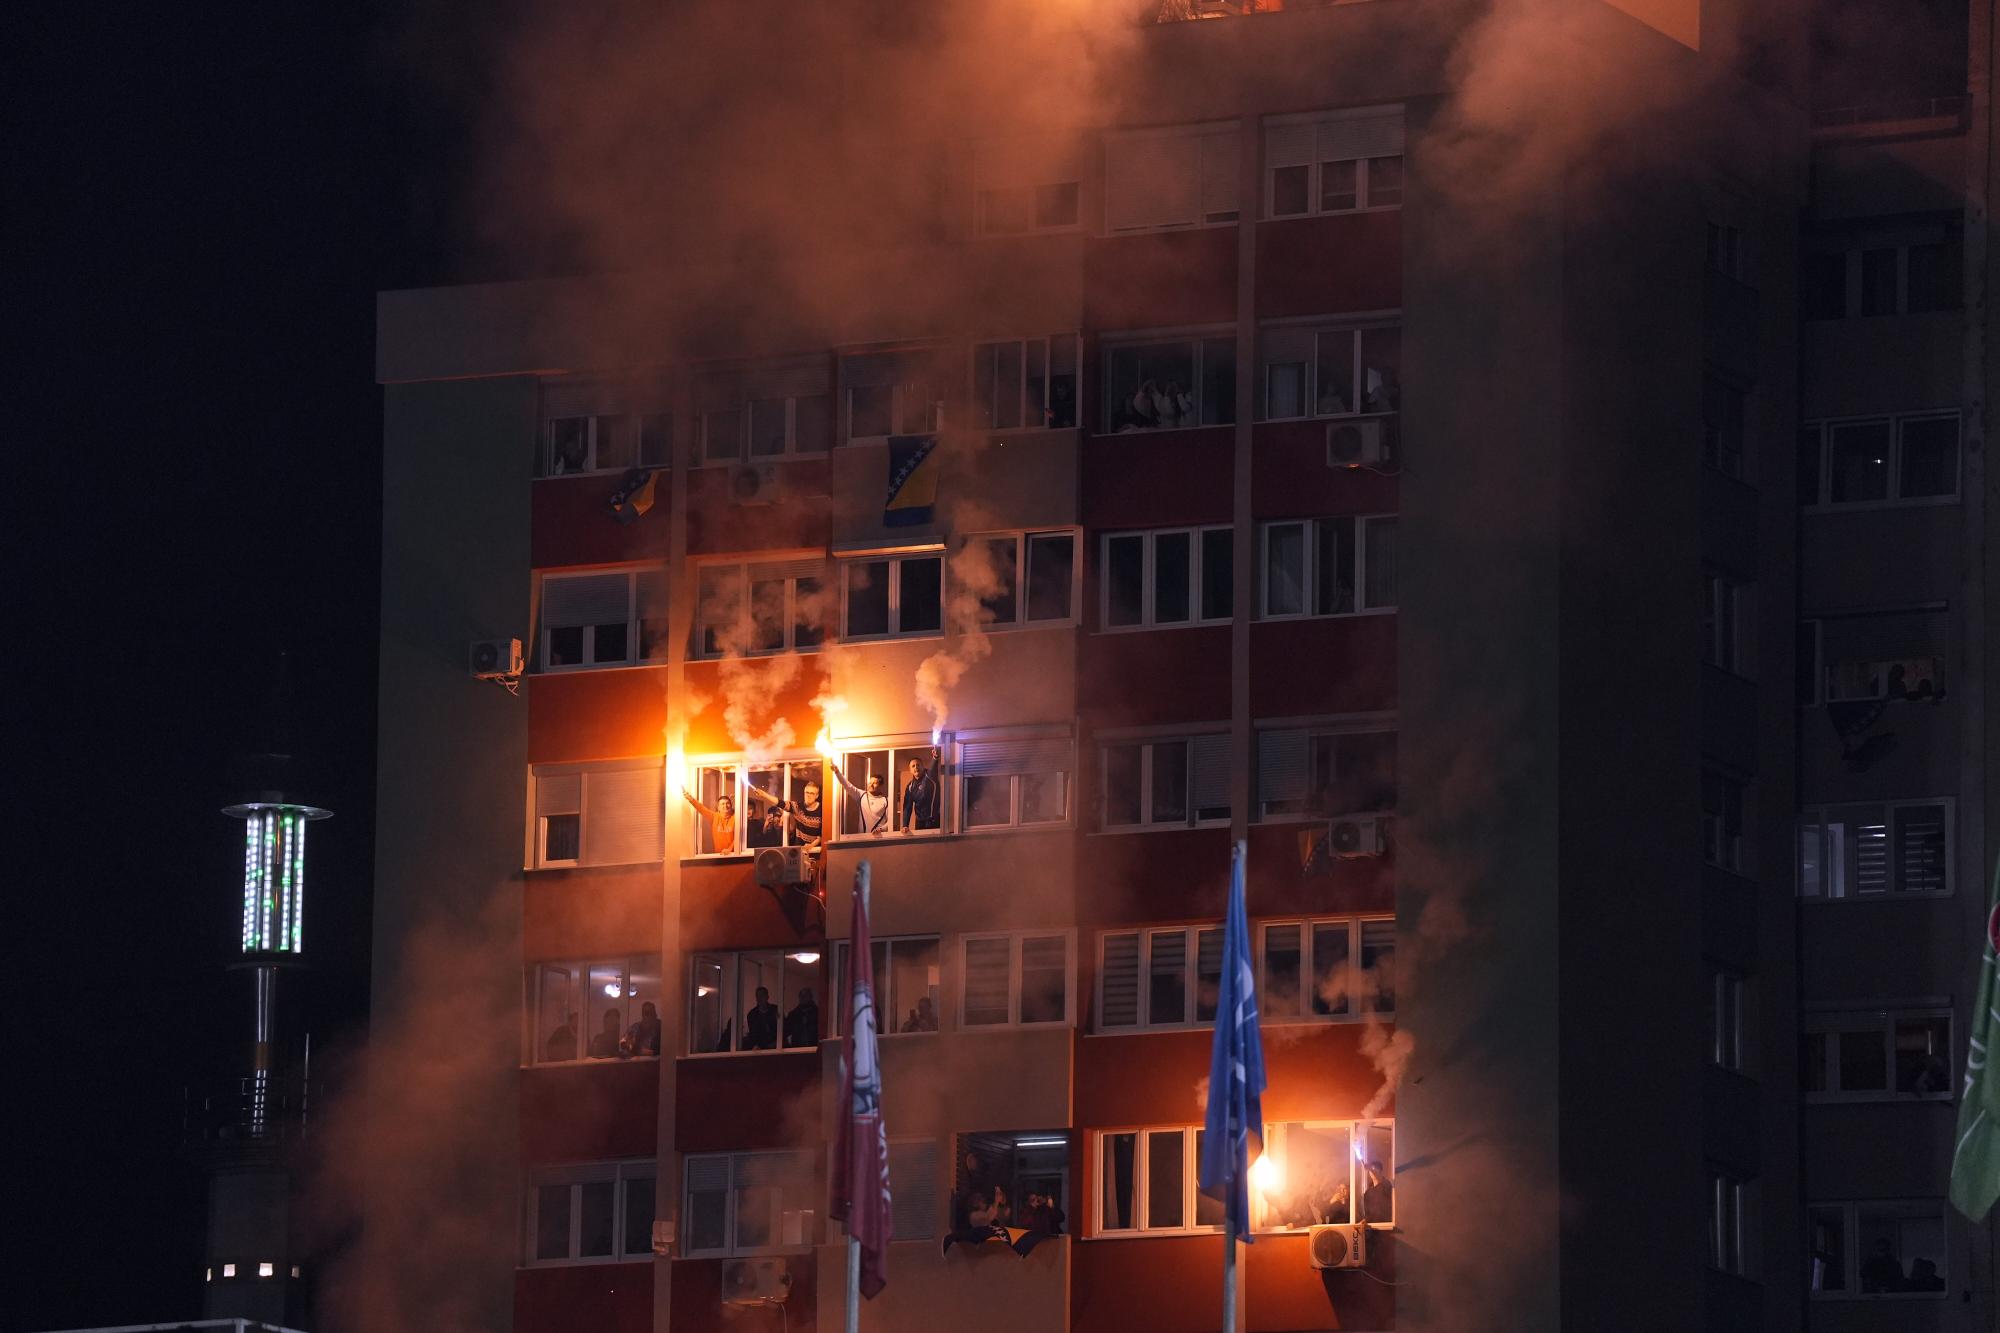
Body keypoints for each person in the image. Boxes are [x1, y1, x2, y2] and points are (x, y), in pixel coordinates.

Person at [831, 761, 890, 835]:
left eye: (874, 783)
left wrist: (881, 829)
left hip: (879, 837)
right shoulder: (862, 795)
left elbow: (890, 822)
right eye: (870, 782)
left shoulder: (886, 801)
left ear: (880, 786)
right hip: (863, 837)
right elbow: (848, 786)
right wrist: (837, 772)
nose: (871, 785)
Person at [682, 787, 737, 854]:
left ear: (731, 805)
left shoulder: (736, 818)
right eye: (722, 804)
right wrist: (691, 799)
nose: (725, 806)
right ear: (718, 807)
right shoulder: (714, 817)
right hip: (718, 855)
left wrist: (729, 849)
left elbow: (738, 837)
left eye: (727, 803)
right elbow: (702, 808)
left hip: (734, 854)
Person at [901, 748, 942, 833]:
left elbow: (933, 769)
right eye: (913, 766)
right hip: (920, 823)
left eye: (918, 765)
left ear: (923, 766)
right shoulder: (910, 787)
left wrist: (935, 758)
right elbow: (907, 807)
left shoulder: (930, 777)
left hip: (934, 821)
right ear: (910, 770)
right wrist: (905, 825)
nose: (916, 767)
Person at [744, 986, 779, 1050]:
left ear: (767, 997)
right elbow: (753, 1034)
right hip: (761, 1048)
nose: (759, 998)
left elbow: (784, 1028)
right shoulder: (752, 1015)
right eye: (758, 996)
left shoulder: (775, 1010)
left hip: (777, 1046)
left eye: (762, 995)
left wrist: (778, 1042)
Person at [1360, 1159, 1393, 1224]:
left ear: (1381, 1172)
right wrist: (1364, 1221)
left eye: (1375, 1169)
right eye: (1371, 1170)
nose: (1372, 1172)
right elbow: (1368, 1215)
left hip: (1386, 1227)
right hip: (1372, 1228)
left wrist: (1370, 1168)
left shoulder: (1387, 1186)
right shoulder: (1368, 1193)